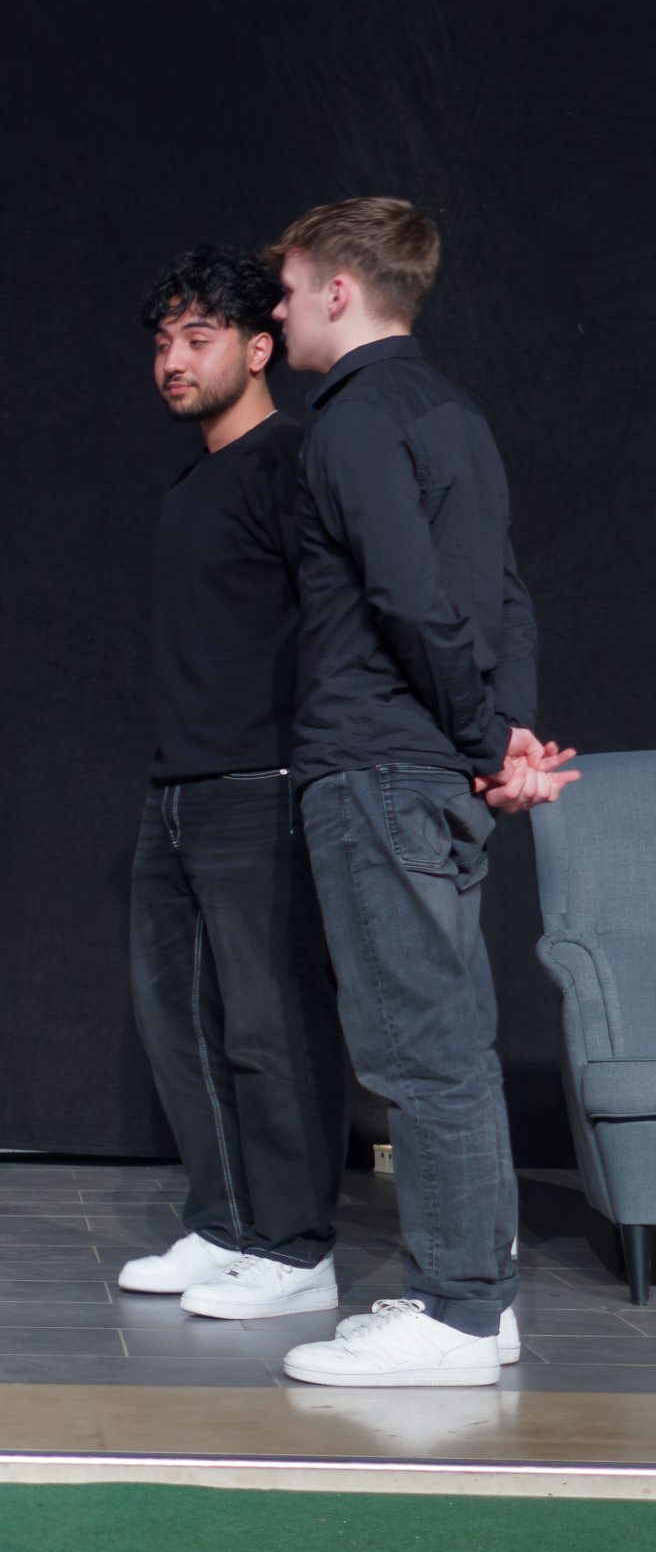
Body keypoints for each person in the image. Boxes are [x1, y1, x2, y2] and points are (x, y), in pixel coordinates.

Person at [266, 197, 578, 1387]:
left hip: (378, 770)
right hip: (431, 770)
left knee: (419, 1049)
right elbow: (506, 600)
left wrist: (486, 738)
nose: (278, 313)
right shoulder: (452, 412)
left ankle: (458, 1312)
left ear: (339, 290)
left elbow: (409, 598)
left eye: (289, 291)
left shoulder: (350, 420)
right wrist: (504, 739)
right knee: (448, 1038)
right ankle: (473, 1301)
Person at [114, 248, 352, 1320]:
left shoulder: (288, 462)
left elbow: (336, 622)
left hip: (264, 785)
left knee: (269, 1025)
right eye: (165, 340)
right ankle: (223, 1226)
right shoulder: (191, 484)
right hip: (177, 789)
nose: (173, 358)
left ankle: (297, 1249)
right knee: (178, 1022)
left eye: (198, 338)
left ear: (259, 349)